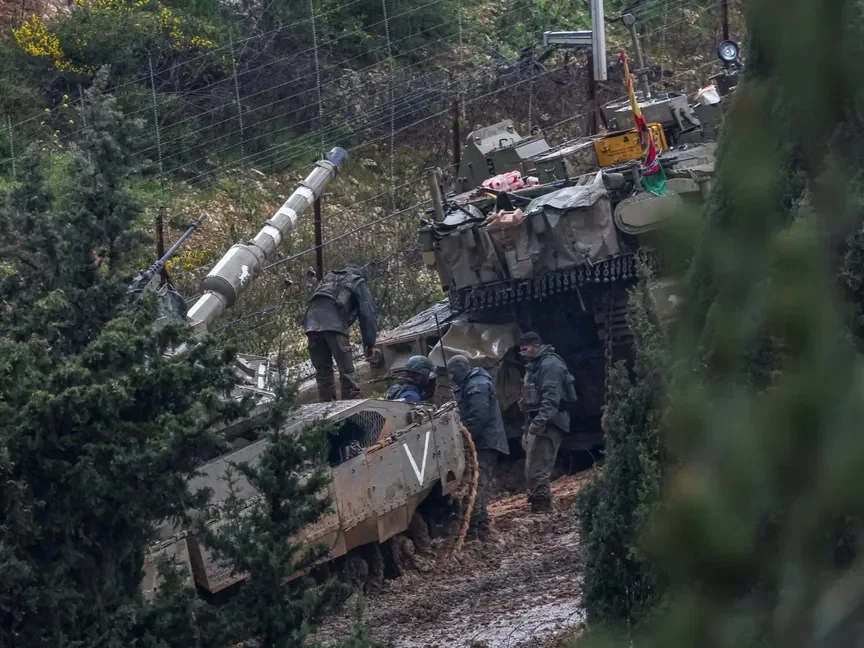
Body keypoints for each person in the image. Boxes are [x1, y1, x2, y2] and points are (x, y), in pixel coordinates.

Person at [447, 354, 510, 541]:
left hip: (485, 443)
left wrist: (462, 438)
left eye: (452, 373)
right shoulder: (468, 383)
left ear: (459, 370)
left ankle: (473, 530)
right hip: (479, 442)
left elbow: (478, 417)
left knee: (474, 488)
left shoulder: (477, 385)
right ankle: (481, 529)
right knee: (475, 487)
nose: (451, 377)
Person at [518, 331, 578, 513]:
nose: (522, 353)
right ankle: (538, 504)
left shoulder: (550, 365)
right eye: (521, 350)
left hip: (550, 422)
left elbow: (551, 400)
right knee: (532, 467)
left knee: (539, 468)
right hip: (539, 420)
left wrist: (538, 422)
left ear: (536, 346)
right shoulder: (536, 366)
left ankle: (542, 508)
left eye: (525, 349)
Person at [302, 265, 377, 401]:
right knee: (346, 370)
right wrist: (370, 344)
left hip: (311, 325)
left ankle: (326, 407)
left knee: (323, 373)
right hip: (334, 324)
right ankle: (352, 404)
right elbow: (367, 314)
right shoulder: (358, 281)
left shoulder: (327, 278)